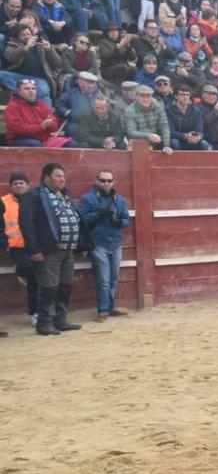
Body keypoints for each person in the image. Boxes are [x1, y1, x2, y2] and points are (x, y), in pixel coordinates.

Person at [18, 162, 91, 336]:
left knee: (65, 285)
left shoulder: (65, 195)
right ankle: (44, 323)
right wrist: (34, 250)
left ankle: (61, 319)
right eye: (58, 176)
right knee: (49, 287)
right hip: (48, 250)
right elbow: (27, 224)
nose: (62, 179)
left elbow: (74, 220)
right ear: (46, 178)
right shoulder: (34, 196)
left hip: (67, 250)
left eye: (63, 176)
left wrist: (81, 244)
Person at [78, 169, 131, 321]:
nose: (106, 183)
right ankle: (103, 310)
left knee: (113, 278)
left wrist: (119, 222)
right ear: (97, 181)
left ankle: (110, 307)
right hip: (98, 243)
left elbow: (126, 219)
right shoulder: (87, 199)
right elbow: (84, 219)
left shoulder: (119, 200)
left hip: (115, 243)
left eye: (109, 180)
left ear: (113, 182)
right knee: (103, 280)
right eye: (103, 180)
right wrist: (101, 214)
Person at [2, 172, 39, 327]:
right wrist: (5, 244)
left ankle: (35, 313)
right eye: (15, 183)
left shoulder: (36, 200)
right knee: (28, 269)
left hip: (36, 246)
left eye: (21, 183)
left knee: (36, 281)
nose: (18, 185)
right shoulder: (3, 202)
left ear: (27, 185)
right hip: (17, 246)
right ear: (11, 187)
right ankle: (21, 271)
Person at [123, 84, 173, 153]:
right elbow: (131, 132)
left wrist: (166, 145)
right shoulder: (130, 111)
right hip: (139, 143)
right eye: (143, 97)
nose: (146, 99)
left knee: (173, 143)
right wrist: (148, 136)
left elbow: (164, 126)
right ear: (136, 97)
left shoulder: (158, 106)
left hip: (157, 140)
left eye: (148, 96)